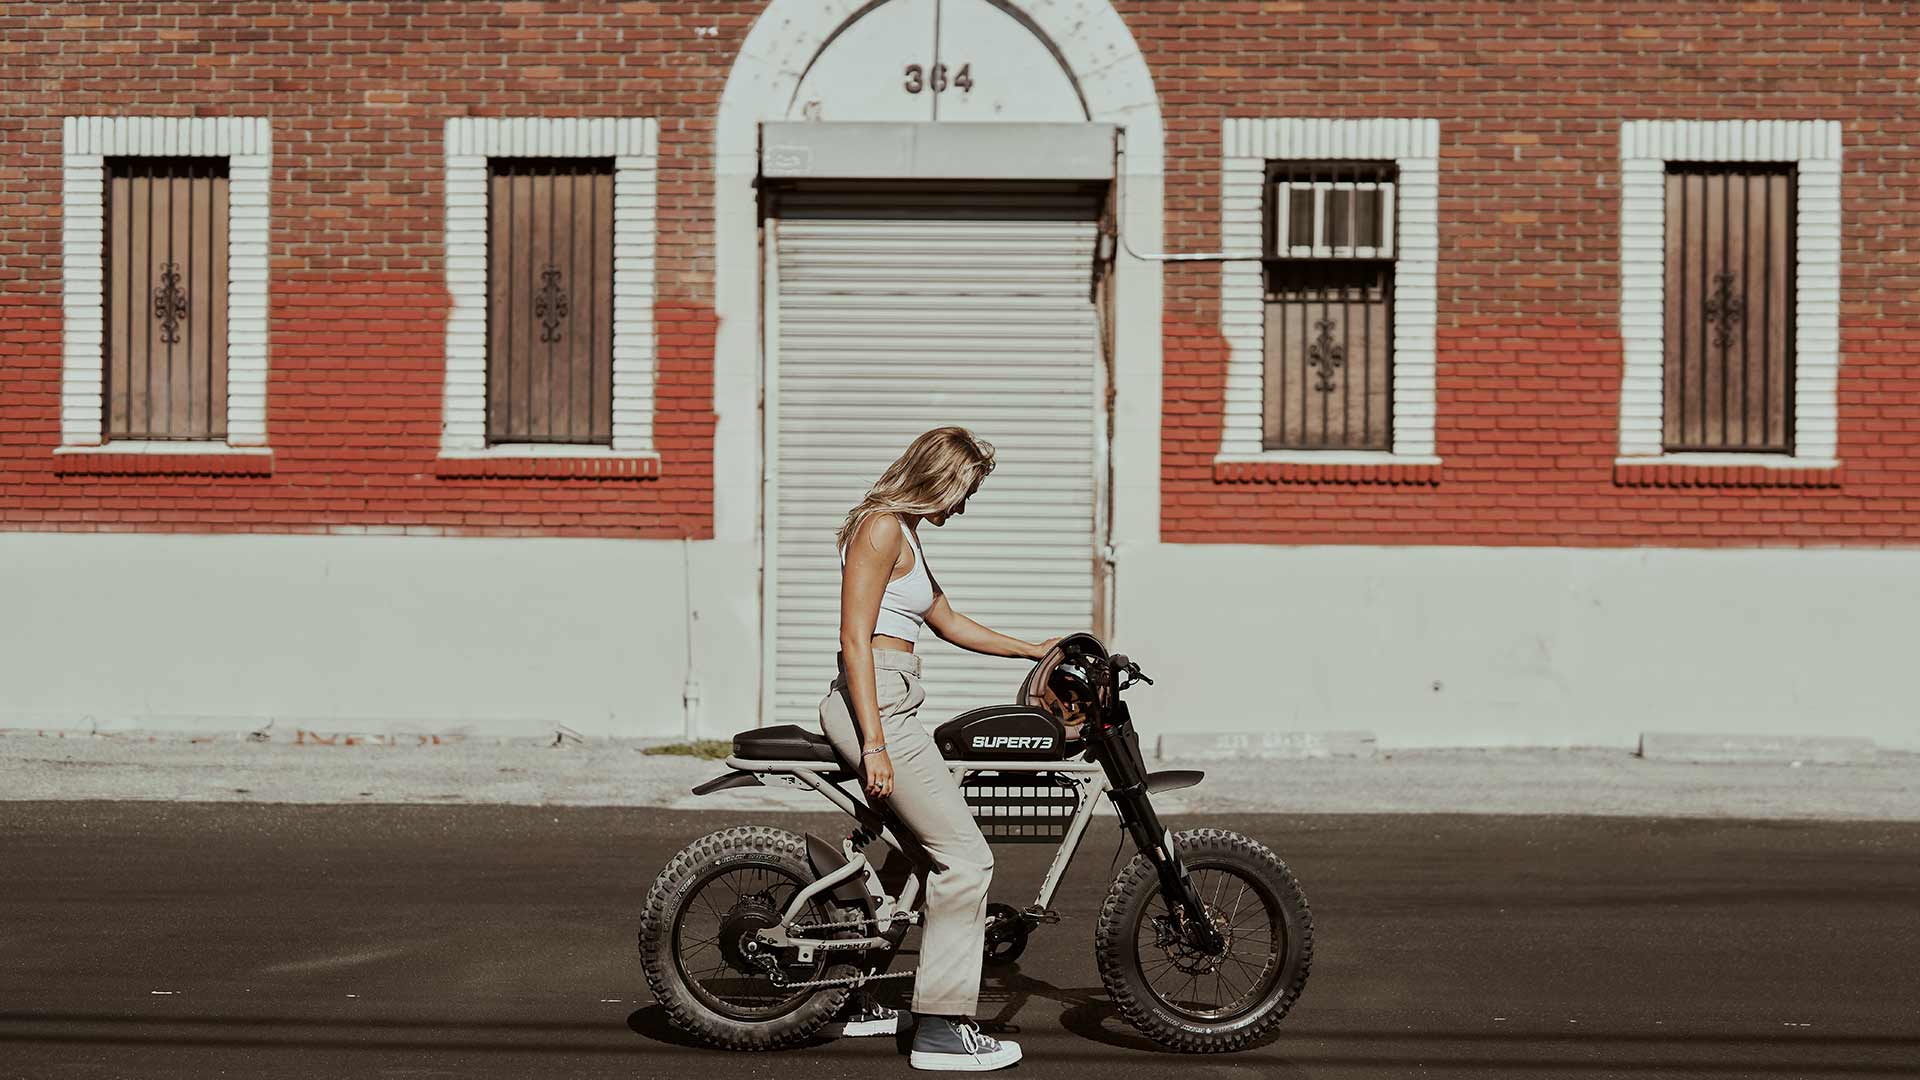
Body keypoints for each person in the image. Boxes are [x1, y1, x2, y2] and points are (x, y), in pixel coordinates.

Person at [816, 426, 1060, 1072]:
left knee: (916, 858)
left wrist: (1036, 649)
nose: (963, 506)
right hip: (878, 706)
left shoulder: (907, 535)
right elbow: (853, 639)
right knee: (966, 861)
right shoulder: (881, 527)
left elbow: (949, 623)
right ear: (938, 478)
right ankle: (943, 1027)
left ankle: (857, 992)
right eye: (963, 491)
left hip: (897, 703)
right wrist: (874, 742)